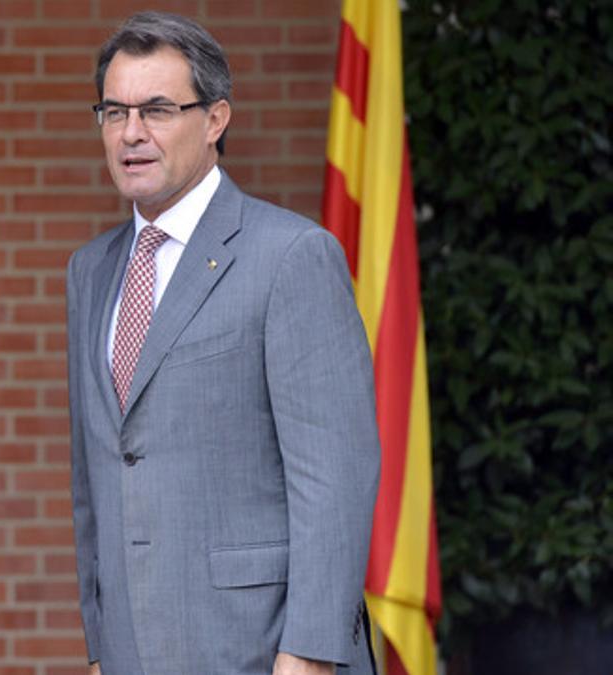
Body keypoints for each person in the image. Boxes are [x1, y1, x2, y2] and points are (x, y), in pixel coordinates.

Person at [66, 11, 380, 675]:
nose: (131, 133)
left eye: (157, 109)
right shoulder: (89, 271)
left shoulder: (291, 256)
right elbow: (95, 479)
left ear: (215, 120)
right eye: (114, 110)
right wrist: (100, 644)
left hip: (260, 653)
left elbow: (335, 478)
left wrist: (310, 653)